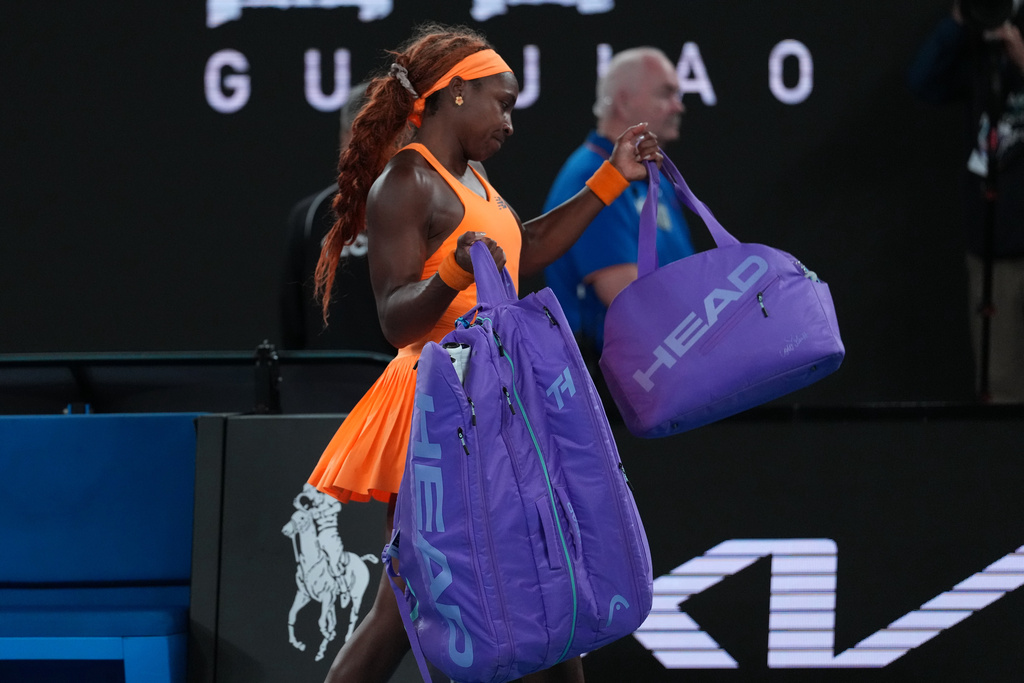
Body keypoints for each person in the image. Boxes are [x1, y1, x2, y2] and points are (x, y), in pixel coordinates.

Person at [305, 23, 662, 683]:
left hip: (493, 402)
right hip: (440, 412)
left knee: (543, 577)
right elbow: (395, 318)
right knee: (410, 605)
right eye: (502, 103)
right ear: (456, 93)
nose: (509, 122)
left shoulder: (473, 176)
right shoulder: (406, 182)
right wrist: (452, 273)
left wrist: (612, 178)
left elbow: (526, 247)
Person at [543, 47, 696, 359]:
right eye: (666, 93)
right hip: (616, 375)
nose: (678, 106)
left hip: (663, 361)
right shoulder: (592, 180)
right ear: (624, 102)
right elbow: (630, 303)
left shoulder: (650, 175)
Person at [908, 1, 1024, 402]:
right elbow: (922, 81)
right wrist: (959, 21)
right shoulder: (981, 52)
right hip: (993, 249)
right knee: (1000, 384)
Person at [279, 81, 395, 355]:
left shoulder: (423, 209)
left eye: (378, 136)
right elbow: (292, 326)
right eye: (362, 135)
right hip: (325, 379)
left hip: (401, 378)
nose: (369, 148)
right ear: (347, 137)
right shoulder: (309, 216)